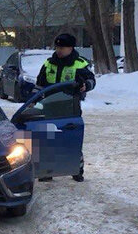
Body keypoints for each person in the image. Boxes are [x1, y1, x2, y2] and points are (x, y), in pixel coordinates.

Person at [35, 33, 95, 183]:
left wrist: (85, 86)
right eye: (57, 47)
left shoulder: (79, 64)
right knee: (48, 139)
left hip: (70, 108)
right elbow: (39, 85)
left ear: (71, 48)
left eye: (62, 47)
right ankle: (47, 171)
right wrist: (34, 101)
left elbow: (91, 81)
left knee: (71, 139)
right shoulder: (49, 63)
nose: (59, 50)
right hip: (49, 107)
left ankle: (76, 169)